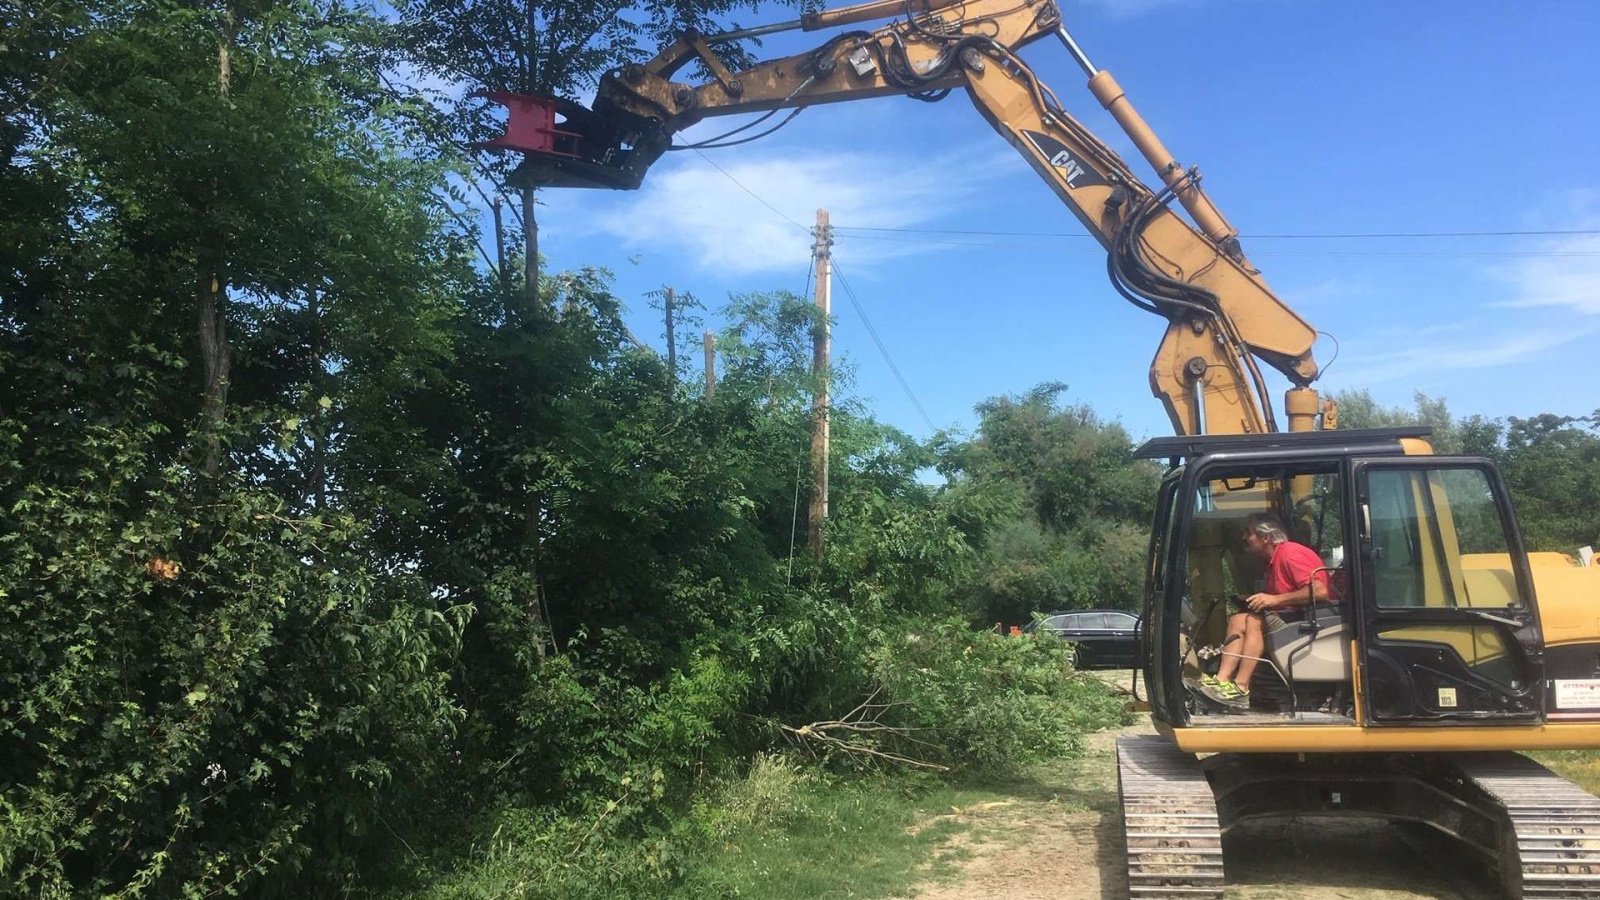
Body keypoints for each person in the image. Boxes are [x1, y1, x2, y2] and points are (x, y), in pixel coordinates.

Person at [1200, 512, 1330, 707]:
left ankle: (1241, 686)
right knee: (1237, 619)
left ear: (1266, 537)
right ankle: (1222, 680)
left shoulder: (1291, 554)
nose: (1244, 537)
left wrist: (1273, 599)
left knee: (1255, 621)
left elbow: (1320, 591)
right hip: (1292, 617)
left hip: (1311, 620)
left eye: (1248, 532)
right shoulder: (1272, 562)